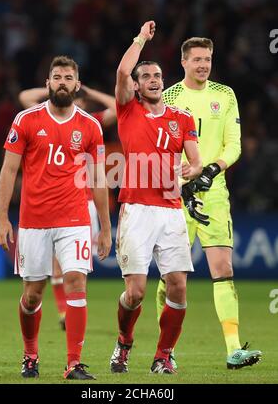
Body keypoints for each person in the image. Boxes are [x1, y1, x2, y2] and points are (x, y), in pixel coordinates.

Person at [0, 55, 112, 380]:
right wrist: (2, 217)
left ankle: (73, 363)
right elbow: (9, 169)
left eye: (68, 77)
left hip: (74, 220)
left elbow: (99, 179)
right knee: (32, 295)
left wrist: (104, 227)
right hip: (33, 222)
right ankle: (30, 355)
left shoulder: (90, 125)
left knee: (76, 283)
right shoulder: (26, 119)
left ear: (77, 84)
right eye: (57, 77)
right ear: (48, 84)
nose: (62, 82)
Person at [156, 37, 262, 369]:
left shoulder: (225, 94)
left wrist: (212, 168)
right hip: (175, 193)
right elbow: (160, 145)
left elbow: (234, 144)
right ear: (184, 62)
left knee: (223, 269)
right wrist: (179, 175)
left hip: (213, 192)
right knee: (173, 278)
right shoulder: (170, 96)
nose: (204, 64)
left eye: (208, 58)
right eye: (197, 59)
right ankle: (166, 351)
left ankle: (233, 349)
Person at [109, 21, 203, 375]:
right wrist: (140, 39)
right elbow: (121, 70)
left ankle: (164, 354)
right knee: (135, 293)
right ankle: (124, 343)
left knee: (178, 286)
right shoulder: (127, 110)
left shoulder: (182, 118)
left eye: (157, 74)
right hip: (136, 210)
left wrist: (191, 170)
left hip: (170, 210)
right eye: (145, 75)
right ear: (135, 85)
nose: (152, 79)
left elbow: (194, 160)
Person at [18, 84, 116, 330]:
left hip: (85, 203)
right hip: (53, 203)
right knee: (56, 264)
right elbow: (24, 97)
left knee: (76, 269)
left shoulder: (89, 123)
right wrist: (54, 87)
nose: (79, 105)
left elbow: (118, 107)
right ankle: (64, 311)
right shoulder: (44, 118)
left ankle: (71, 307)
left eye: (82, 102)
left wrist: (90, 91)